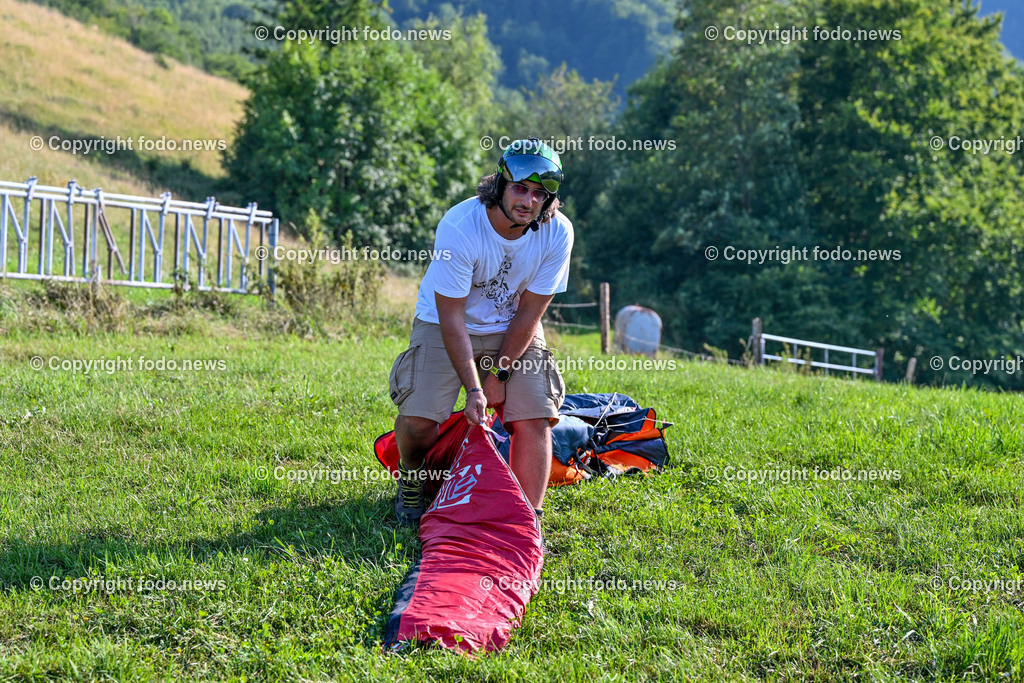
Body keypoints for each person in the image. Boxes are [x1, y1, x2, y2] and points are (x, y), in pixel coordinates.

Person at [387, 138, 573, 526]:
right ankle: (412, 477)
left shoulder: (558, 233)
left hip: (513, 328)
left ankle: (527, 516)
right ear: (500, 184)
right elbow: (451, 315)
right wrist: (475, 389)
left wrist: (499, 374)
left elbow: (530, 311)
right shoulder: (459, 226)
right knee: (420, 421)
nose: (528, 201)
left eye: (539, 194)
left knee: (535, 416)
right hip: (445, 325)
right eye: (520, 188)